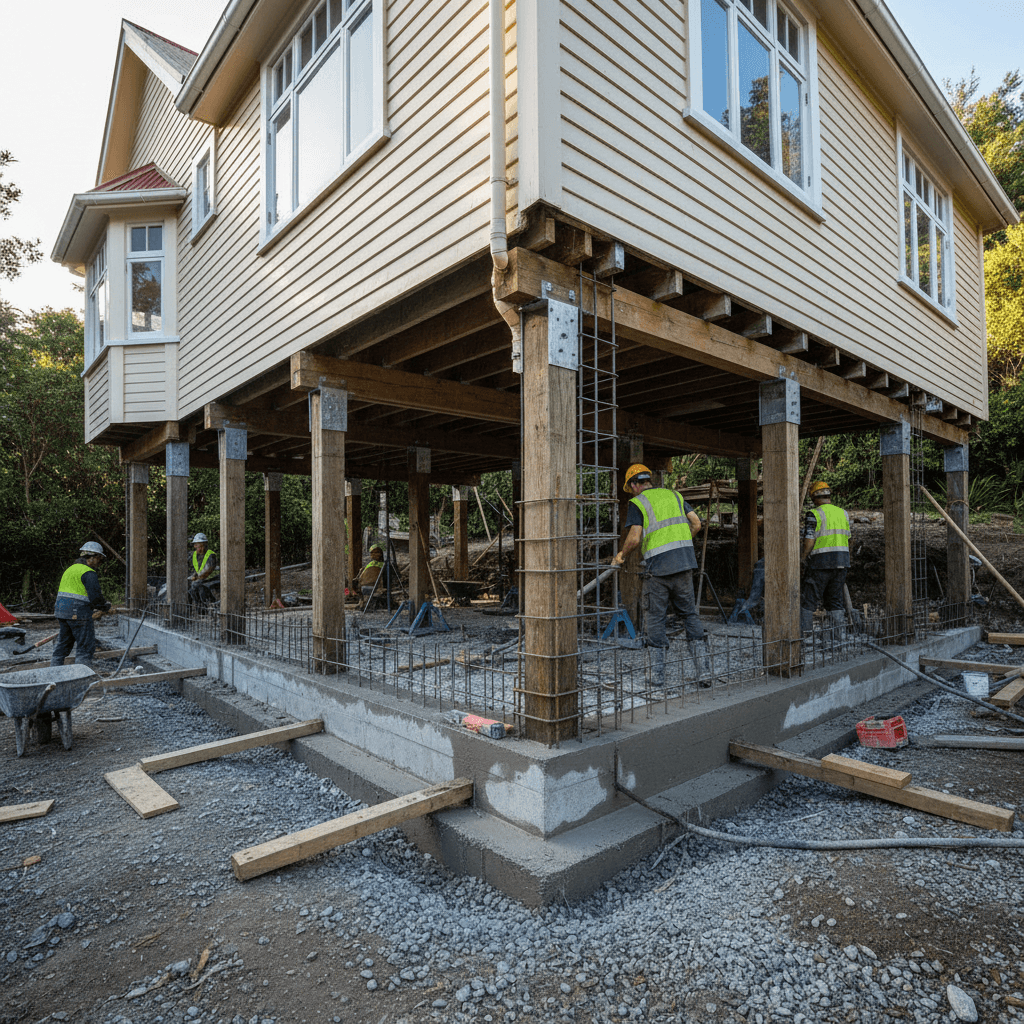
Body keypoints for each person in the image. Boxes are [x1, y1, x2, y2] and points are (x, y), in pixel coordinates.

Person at [612, 464, 710, 687]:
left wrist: (622, 555)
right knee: (689, 615)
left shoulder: (638, 502)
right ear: (649, 480)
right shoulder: (674, 495)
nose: (633, 491)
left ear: (635, 485)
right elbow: (696, 523)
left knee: (655, 617)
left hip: (658, 569)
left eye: (631, 487)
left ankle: (656, 676)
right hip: (684, 564)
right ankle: (704, 672)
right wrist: (681, 544)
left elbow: (634, 538)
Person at [800, 480, 851, 642]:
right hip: (842, 561)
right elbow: (849, 538)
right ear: (829, 495)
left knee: (810, 598)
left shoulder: (814, 514)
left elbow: (809, 540)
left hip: (821, 562)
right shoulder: (843, 513)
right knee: (835, 599)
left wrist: (802, 558)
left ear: (814, 498)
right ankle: (838, 636)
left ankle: (806, 636)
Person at [51, 541, 112, 672]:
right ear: (92, 557)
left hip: (61, 611)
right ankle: (81, 676)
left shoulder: (70, 569)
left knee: (63, 644)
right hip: (77, 612)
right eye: (99, 559)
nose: (99, 563)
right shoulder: (88, 572)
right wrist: (105, 606)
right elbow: (95, 597)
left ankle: (53, 673)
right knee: (85, 646)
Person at [187, 533, 218, 605]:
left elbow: (208, 570)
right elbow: (196, 569)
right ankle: (198, 610)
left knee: (199, 587)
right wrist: (194, 575)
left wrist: (197, 577)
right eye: (195, 544)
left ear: (203, 545)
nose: (195, 546)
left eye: (197, 544)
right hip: (200, 579)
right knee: (190, 589)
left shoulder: (210, 555)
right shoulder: (195, 555)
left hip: (211, 579)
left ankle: (210, 605)